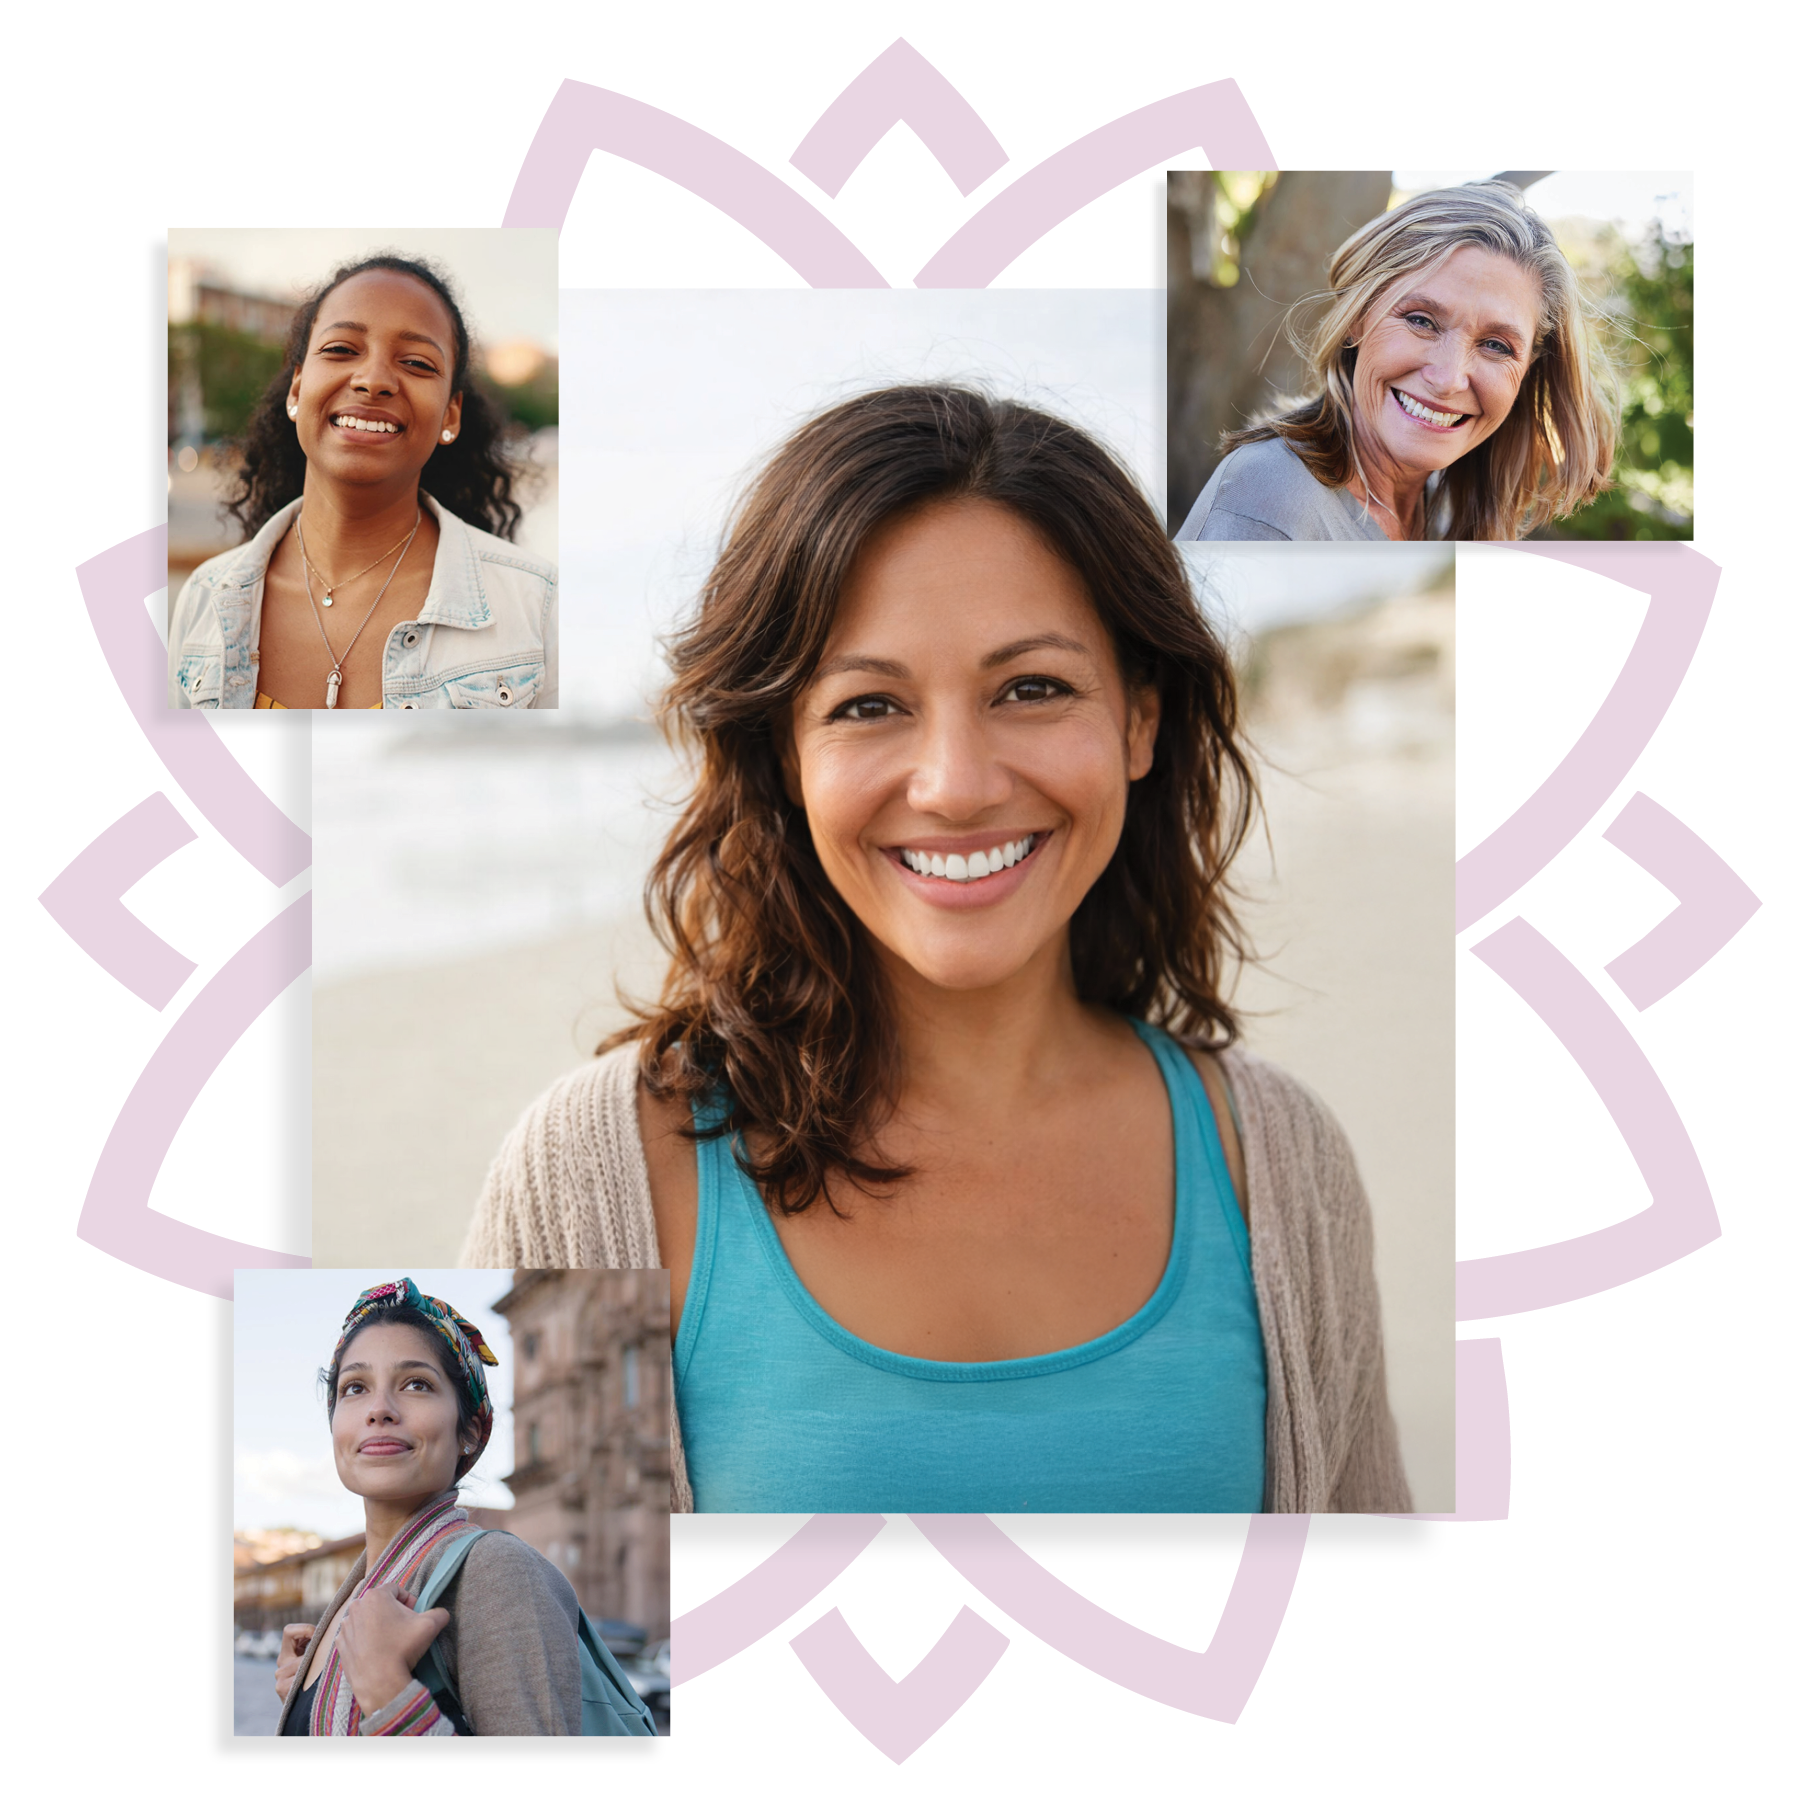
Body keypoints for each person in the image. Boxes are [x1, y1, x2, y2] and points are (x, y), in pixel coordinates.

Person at [464, 384, 1413, 1515]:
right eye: (869, 705)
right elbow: (542, 1626)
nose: (957, 786)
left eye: (1032, 689)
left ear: (1141, 719)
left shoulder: (1282, 1167)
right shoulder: (600, 1174)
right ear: (784, 754)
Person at [168, 254, 556, 709]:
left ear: (451, 415)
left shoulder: (537, 608)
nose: (373, 380)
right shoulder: (205, 598)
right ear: (297, 390)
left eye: (416, 362)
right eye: (341, 350)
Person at [1175, 180, 1620, 543]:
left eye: (1496, 346)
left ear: (1527, 371)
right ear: (1356, 317)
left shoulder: (1445, 505)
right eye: (1421, 321)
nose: (1448, 379)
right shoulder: (1268, 497)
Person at [273, 1279, 583, 1736]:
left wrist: (387, 1692)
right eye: (355, 1387)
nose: (379, 1409)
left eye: (416, 1384)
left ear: (470, 1431)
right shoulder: (347, 1606)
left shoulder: (495, 1571)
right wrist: (309, 1701)